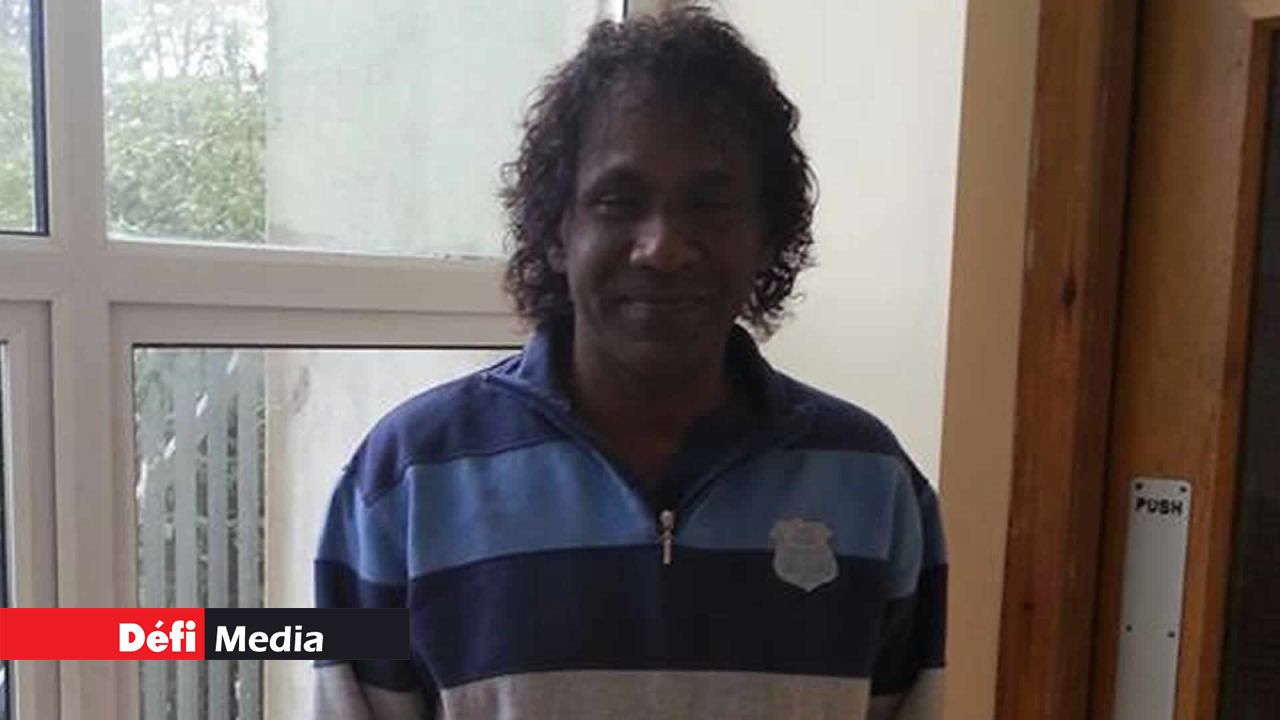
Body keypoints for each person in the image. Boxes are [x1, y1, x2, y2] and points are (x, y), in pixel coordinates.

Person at [313, 8, 945, 720]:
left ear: (767, 235)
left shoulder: (874, 488)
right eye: (619, 201)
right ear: (558, 231)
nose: (663, 248)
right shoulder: (401, 483)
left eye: (709, 204)